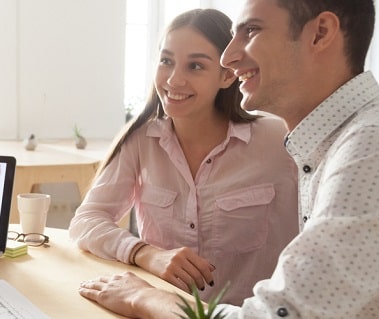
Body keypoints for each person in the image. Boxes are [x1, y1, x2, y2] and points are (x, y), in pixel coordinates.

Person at [78, 0, 379, 318]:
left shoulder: (376, 147)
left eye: (251, 31)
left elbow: (276, 315)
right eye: (166, 60)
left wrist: (147, 299)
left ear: (320, 33)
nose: (230, 57)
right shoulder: (324, 143)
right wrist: (144, 256)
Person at [68, 8, 298, 306]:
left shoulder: (279, 138)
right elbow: (86, 221)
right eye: (166, 61)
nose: (174, 80)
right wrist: (146, 254)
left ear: (227, 75)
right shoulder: (141, 141)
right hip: (158, 310)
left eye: (196, 67)